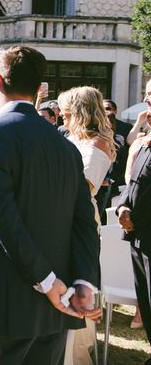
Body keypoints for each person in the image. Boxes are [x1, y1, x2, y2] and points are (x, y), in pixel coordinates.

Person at [0, 45, 101, 365]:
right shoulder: (66, 146)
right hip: (52, 316)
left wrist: (47, 280)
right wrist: (84, 281)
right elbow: (85, 223)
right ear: (38, 90)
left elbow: (2, 215)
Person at [58, 87, 115, 365]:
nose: (62, 117)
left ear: (79, 111)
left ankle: (74, 355)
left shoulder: (99, 144)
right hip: (61, 217)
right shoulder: (70, 138)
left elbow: (84, 187)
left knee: (76, 276)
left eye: (66, 111)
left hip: (79, 220)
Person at [118, 79, 151, 356]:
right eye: (147, 94)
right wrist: (122, 207)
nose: (147, 101)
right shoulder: (144, 141)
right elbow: (133, 183)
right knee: (146, 301)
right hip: (138, 234)